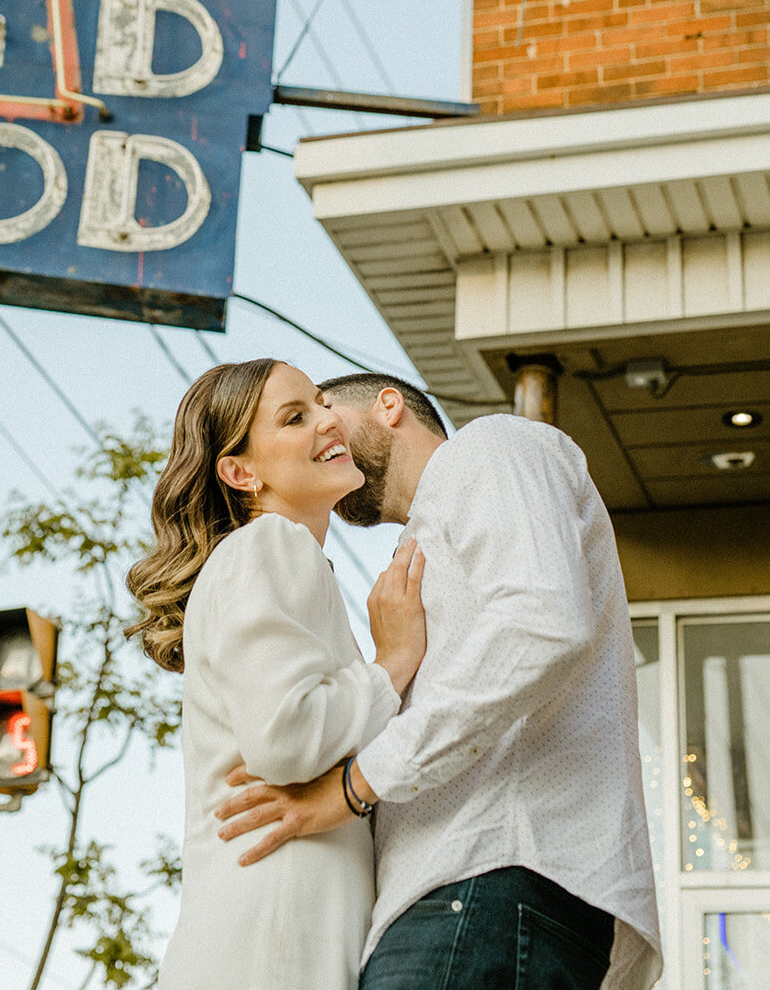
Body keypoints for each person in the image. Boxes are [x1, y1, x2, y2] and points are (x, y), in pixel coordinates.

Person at [217, 373, 663, 990]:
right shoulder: (419, 550)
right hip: (469, 896)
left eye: (325, 410)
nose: (322, 431)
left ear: (389, 406)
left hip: (488, 876)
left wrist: (353, 786)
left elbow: (541, 621)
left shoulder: (489, 446)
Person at [126, 358, 427, 990]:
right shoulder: (271, 546)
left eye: (320, 403)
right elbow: (286, 738)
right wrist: (391, 664)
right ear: (241, 472)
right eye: (295, 417)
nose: (327, 420)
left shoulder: (279, 559)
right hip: (274, 933)